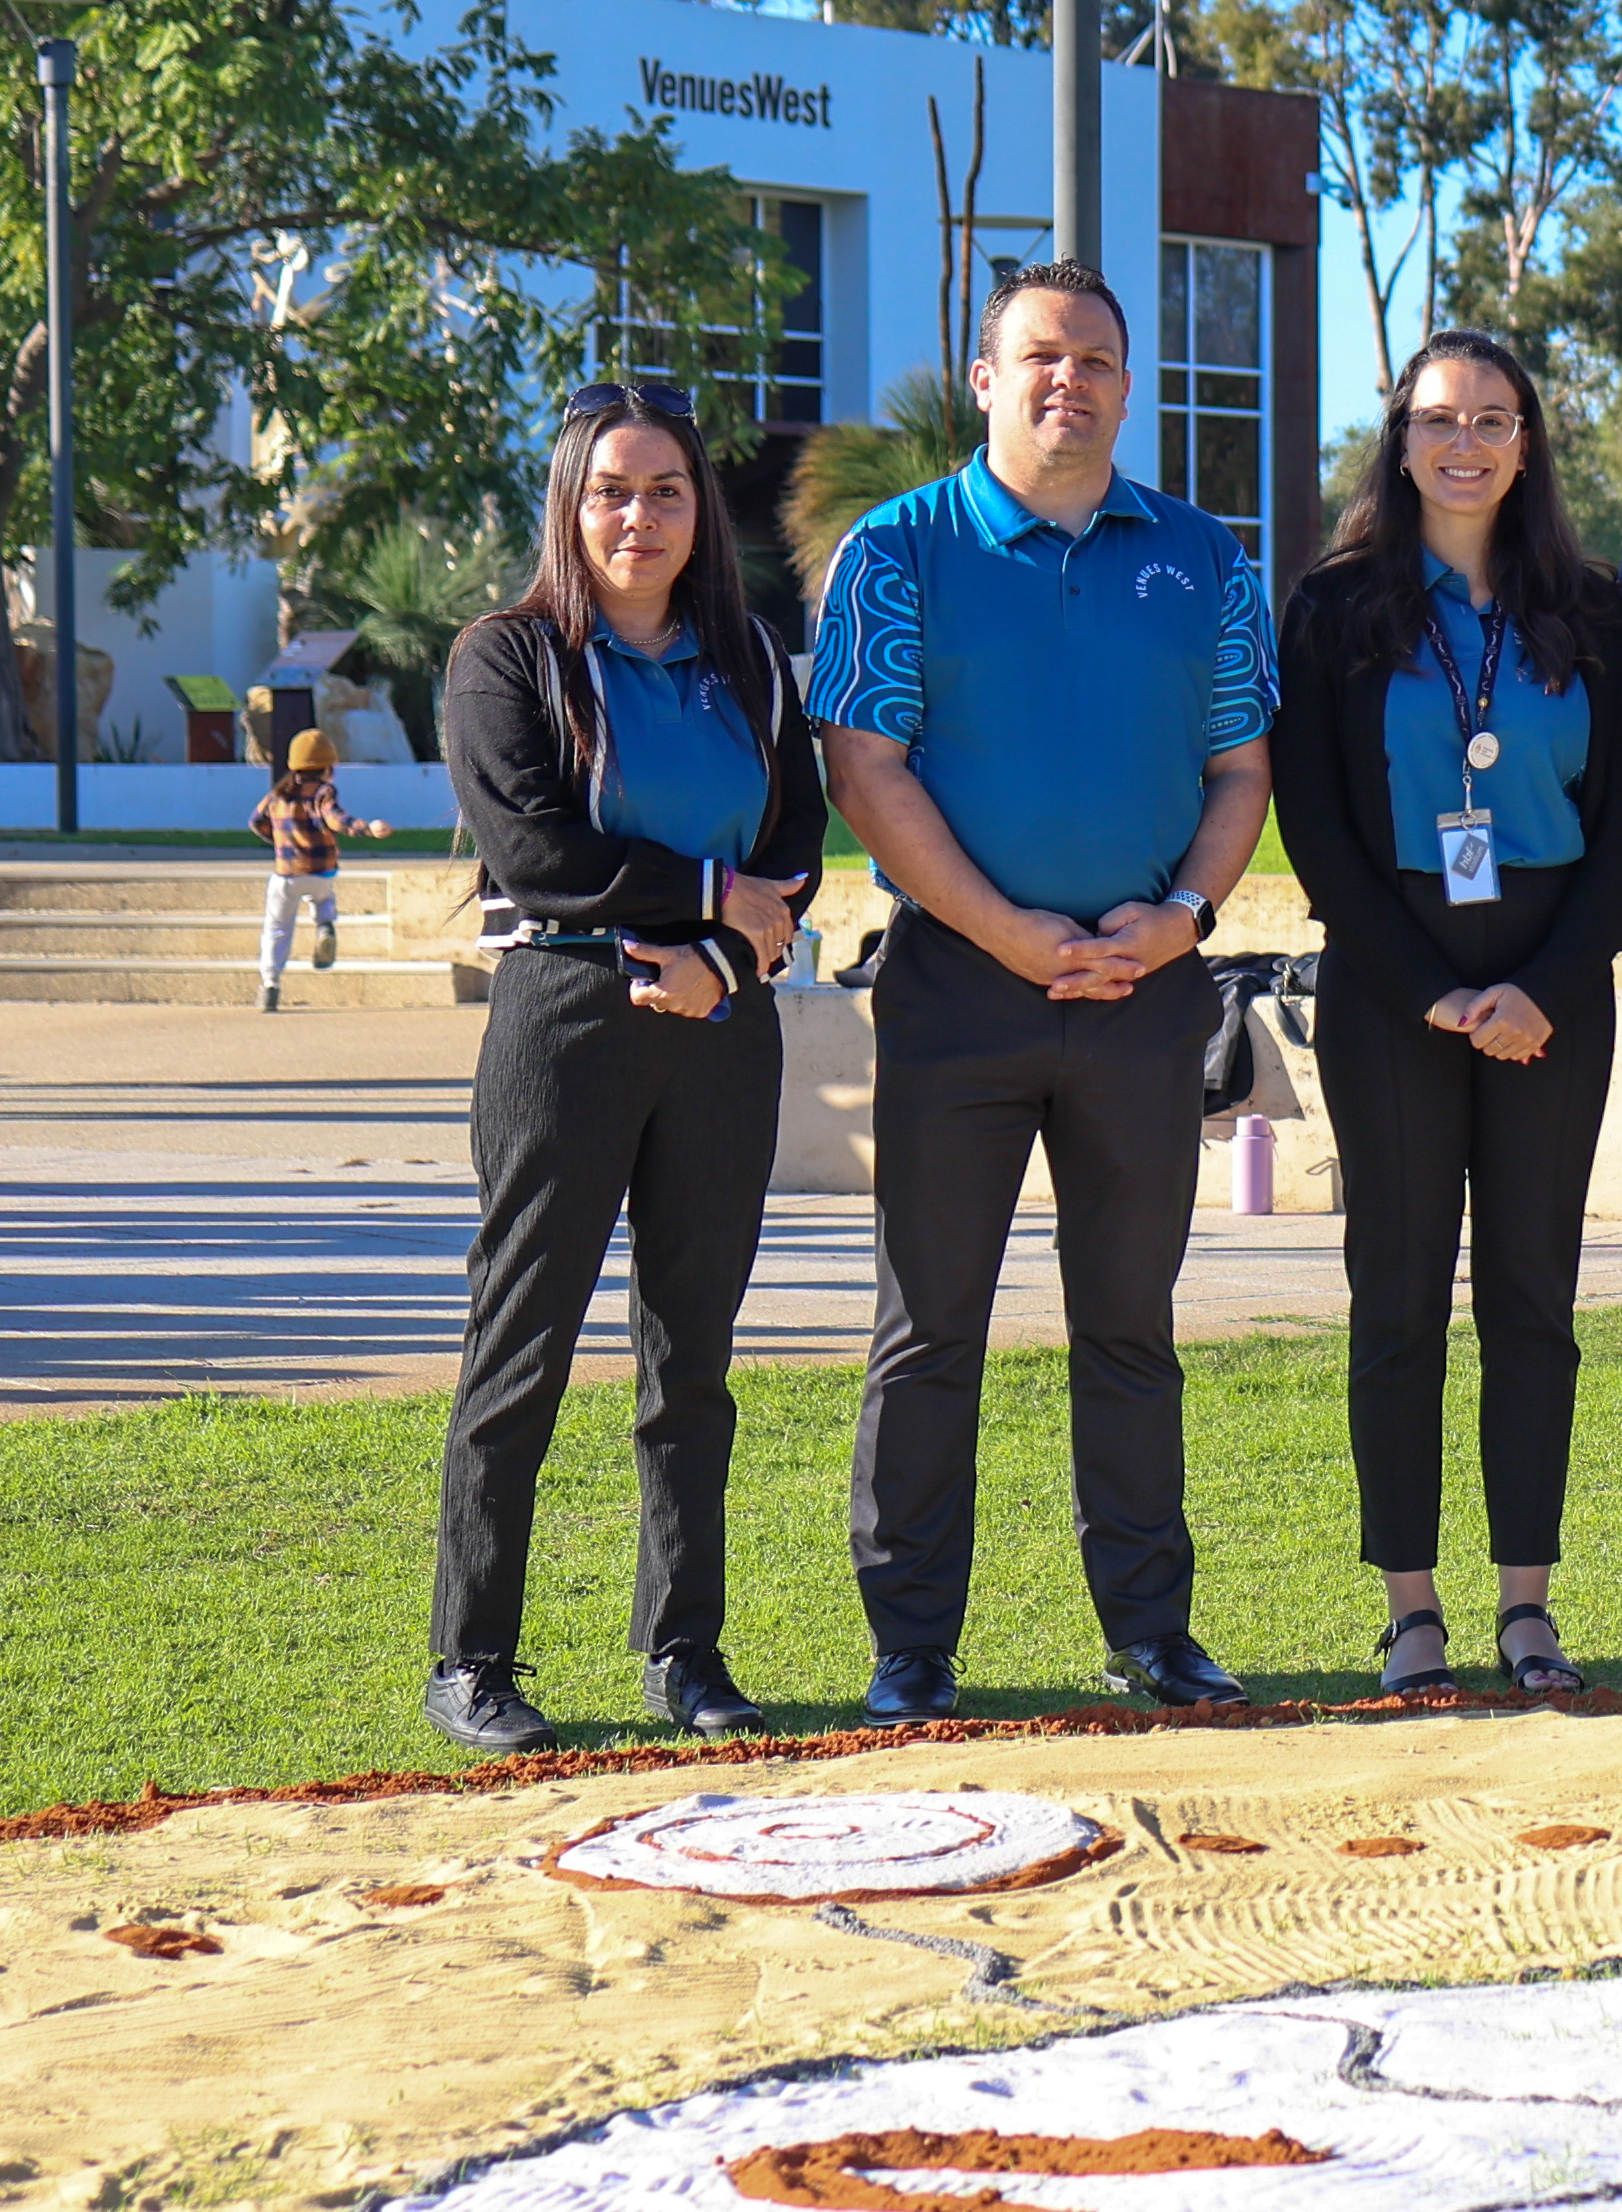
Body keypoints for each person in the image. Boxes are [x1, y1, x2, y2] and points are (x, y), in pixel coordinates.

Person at [809, 259, 1276, 1725]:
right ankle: (911, 1650)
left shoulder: (1206, 558)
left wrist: (1186, 916)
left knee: (1129, 1325)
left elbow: (1241, 770)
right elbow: (863, 768)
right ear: (989, 375)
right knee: (929, 1324)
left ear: (1127, 387)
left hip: (1146, 991)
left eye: (1096, 360)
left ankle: (1151, 1631)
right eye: (1040, 356)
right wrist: (1004, 929)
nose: (1067, 380)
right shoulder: (897, 549)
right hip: (959, 989)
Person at [420, 377, 825, 1754]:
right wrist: (713, 892)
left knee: (690, 1361)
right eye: (610, 490)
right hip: (565, 1019)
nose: (637, 516)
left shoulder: (755, 661)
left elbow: (799, 844)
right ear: (569, 504)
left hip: (720, 1029)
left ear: (700, 508)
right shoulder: (505, 658)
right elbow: (539, 853)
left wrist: (722, 952)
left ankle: (686, 1653)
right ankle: (472, 1661)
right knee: (520, 1347)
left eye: (664, 489)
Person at [1267, 332, 1622, 1698]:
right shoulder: (1331, 610)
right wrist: (1432, 990)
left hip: (1550, 983)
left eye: (1494, 418)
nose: (1468, 442)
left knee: (1533, 1303)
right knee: (1400, 1303)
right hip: (1392, 986)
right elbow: (1312, 822)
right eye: (1441, 419)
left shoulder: (1592, 610)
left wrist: (1541, 989)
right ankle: (1414, 1610)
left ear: (1530, 441)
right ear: (1401, 439)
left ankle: (1529, 1607)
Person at [248, 719, 394, 1007]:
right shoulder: (324, 792)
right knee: (324, 895)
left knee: (277, 927)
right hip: (321, 869)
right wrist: (364, 828)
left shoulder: (277, 795)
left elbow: (255, 821)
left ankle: (270, 985)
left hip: (286, 873)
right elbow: (335, 818)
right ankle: (325, 924)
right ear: (328, 766)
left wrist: (279, 841)